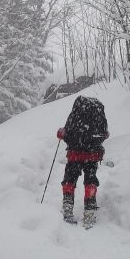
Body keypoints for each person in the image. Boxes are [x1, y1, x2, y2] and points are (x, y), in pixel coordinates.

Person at [55, 96, 109, 229]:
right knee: (90, 180)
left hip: (75, 154)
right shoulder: (98, 115)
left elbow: (67, 134)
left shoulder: (75, 115)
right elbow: (104, 134)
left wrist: (62, 134)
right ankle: (89, 211)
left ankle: (67, 208)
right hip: (92, 155)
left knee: (70, 179)